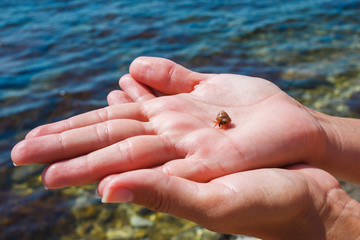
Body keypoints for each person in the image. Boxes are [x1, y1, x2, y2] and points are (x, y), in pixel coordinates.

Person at [11, 57, 360, 239]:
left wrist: (325, 217)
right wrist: (320, 133)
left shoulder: (223, 121)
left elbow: (223, 123)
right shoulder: (223, 120)